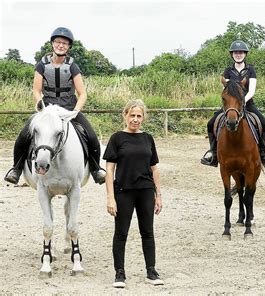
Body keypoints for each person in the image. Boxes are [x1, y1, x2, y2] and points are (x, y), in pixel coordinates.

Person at [4, 27, 105, 185]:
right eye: (58, 42)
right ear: (52, 43)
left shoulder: (72, 66)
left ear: (68, 47)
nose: (61, 45)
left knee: (91, 137)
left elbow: (82, 93)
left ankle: (96, 169)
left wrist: (76, 111)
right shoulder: (42, 65)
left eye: (65, 43)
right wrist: (40, 105)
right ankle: (16, 169)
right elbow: (36, 90)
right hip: (47, 109)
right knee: (23, 136)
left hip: (68, 109)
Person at [103, 99, 164, 288]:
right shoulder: (117, 138)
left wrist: (158, 195)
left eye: (139, 116)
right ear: (125, 115)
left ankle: (151, 271)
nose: (135, 119)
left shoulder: (148, 139)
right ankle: (119, 273)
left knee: (148, 232)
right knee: (121, 233)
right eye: (132, 115)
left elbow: (154, 169)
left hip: (145, 191)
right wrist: (110, 197)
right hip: (124, 191)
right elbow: (110, 170)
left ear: (143, 118)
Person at [200, 40, 265, 167]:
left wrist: (242, 102)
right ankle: (214, 155)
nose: (238, 54)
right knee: (210, 124)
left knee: (264, 123)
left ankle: (264, 154)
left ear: (245, 54)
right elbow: (226, 89)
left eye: (241, 52)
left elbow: (252, 90)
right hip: (231, 106)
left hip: (247, 104)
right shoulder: (228, 71)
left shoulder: (250, 70)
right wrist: (232, 104)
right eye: (236, 52)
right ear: (232, 54)